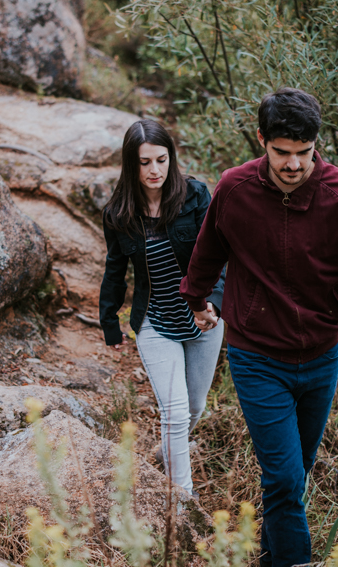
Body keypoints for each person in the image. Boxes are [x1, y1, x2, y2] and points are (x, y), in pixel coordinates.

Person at [179, 88, 338, 566]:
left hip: (322, 359)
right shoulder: (235, 189)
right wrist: (197, 299)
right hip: (257, 358)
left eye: (304, 153)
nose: (294, 164)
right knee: (281, 478)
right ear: (263, 140)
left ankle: (269, 559)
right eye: (282, 152)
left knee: (295, 475)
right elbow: (208, 252)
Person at [99, 119, 226, 497]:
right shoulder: (119, 214)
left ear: (171, 157)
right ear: (130, 164)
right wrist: (109, 322)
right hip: (154, 321)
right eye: (144, 162)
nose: (154, 170)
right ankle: (182, 498)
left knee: (194, 408)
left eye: (161, 159)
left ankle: (166, 451)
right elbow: (115, 269)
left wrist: (214, 306)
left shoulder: (196, 196)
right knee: (174, 411)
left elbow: (219, 256)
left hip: (203, 319)